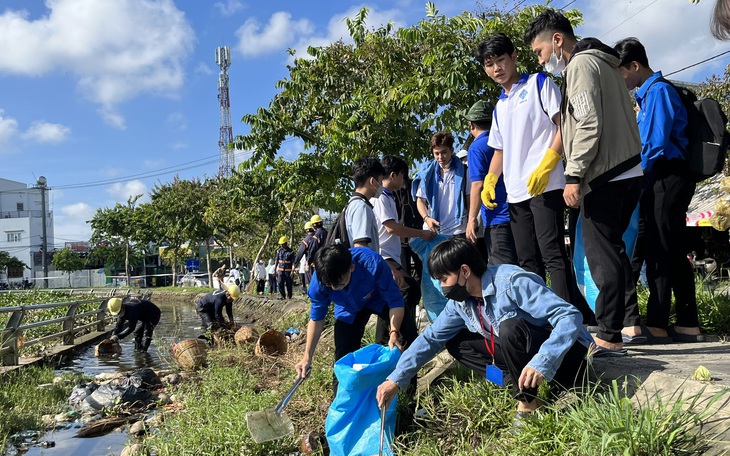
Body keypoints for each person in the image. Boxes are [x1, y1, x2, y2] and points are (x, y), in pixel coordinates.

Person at [375, 238, 591, 431]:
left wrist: (543, 361)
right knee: (456, 343)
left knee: (510, 328)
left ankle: (528, 403)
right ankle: (514, 383)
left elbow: (569, 316)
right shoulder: (461, 303)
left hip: (569, 356)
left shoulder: (511, 282)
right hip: (526, 355)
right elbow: (431, 338)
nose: (443, 288)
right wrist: (396, 378)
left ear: (465, 271)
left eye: (444, 279)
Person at [525, 9, 643, 355]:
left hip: (605, 174)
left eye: (540, 52)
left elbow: (588, 123)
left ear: (557, 40)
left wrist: (573, 175)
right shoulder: (607, 64)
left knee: (602, 256)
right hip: (629, 170)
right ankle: (625, 323)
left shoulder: (580, 66)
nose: (543, 60)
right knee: (616, 252)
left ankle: (608, 334)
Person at [477, 33, 579, 314]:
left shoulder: (539, 84)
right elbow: (499, 150)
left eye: (501, 60)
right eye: (489, 64)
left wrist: (549, 161)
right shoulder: (499, 106)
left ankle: (567, 319)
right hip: (516, 191)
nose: (497, 68)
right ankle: (539, 319)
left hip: (546, 185)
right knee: (526, 261)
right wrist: (490, 180)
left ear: (514, 57)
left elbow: (564, 125)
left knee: (553, 254)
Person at [614, 38, 704, 343]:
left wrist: (632, 175)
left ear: (635, 66)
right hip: (661, 177)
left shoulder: (659, 92)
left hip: (666, 176)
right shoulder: (646, 95)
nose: (621, 80)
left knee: (660, 250)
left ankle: (657, 323)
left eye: (621, 72)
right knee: (673, 248)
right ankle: (687, 323)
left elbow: (653, 144)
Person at [294, 244, 417, 393]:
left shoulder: (372, 263)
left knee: (407, 337)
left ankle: (407, 397)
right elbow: (316, 319)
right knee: (343, 358)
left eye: (339, 283)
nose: (333, 288)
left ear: (351, 268)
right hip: (347, 308)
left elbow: (395, 302)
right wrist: (307, 357)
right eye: (329, 285)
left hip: (379, 298)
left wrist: (394, 331)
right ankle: (343, 407)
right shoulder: (319, 283)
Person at [371, 155, 435, 345]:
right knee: (407, 289)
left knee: (396, 296)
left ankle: (388, 337)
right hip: (384, 255)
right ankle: (402, 332)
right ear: (393, 175)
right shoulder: (382, 197)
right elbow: (391, 227)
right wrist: (420, 234)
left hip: (391, 255)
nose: (404, 181)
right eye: (402, 176)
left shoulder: (389, 196)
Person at [463, 99, 518, 266]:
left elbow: (477, 185)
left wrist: (472, 218)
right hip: (520, 211)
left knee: (503, 269)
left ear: (472, 125)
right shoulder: (508, 140)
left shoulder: (477, 147)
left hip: (497, 217)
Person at [413, 131, 470, 237]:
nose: (440, 157)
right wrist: (427, 218)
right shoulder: (427, 173)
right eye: (436, 153)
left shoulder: (464, 171)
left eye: (444, 152)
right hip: (433, 229)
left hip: (458, 229)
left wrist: (471, 222)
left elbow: (469, 198)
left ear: (452, 151)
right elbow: (420, 201)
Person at [345, 157, 386, 253]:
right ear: (372, 181)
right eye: (381, 181)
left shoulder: (352, 204)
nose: (382, 186)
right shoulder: (361, 207)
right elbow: (360, 248)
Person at [294, 221, 316, 293]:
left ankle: (311, 296)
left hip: (311, 264)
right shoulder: (319, 236)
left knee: (311, 281)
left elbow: (300, 253)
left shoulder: (306, 241)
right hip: (322, 262)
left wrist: (295, 264)